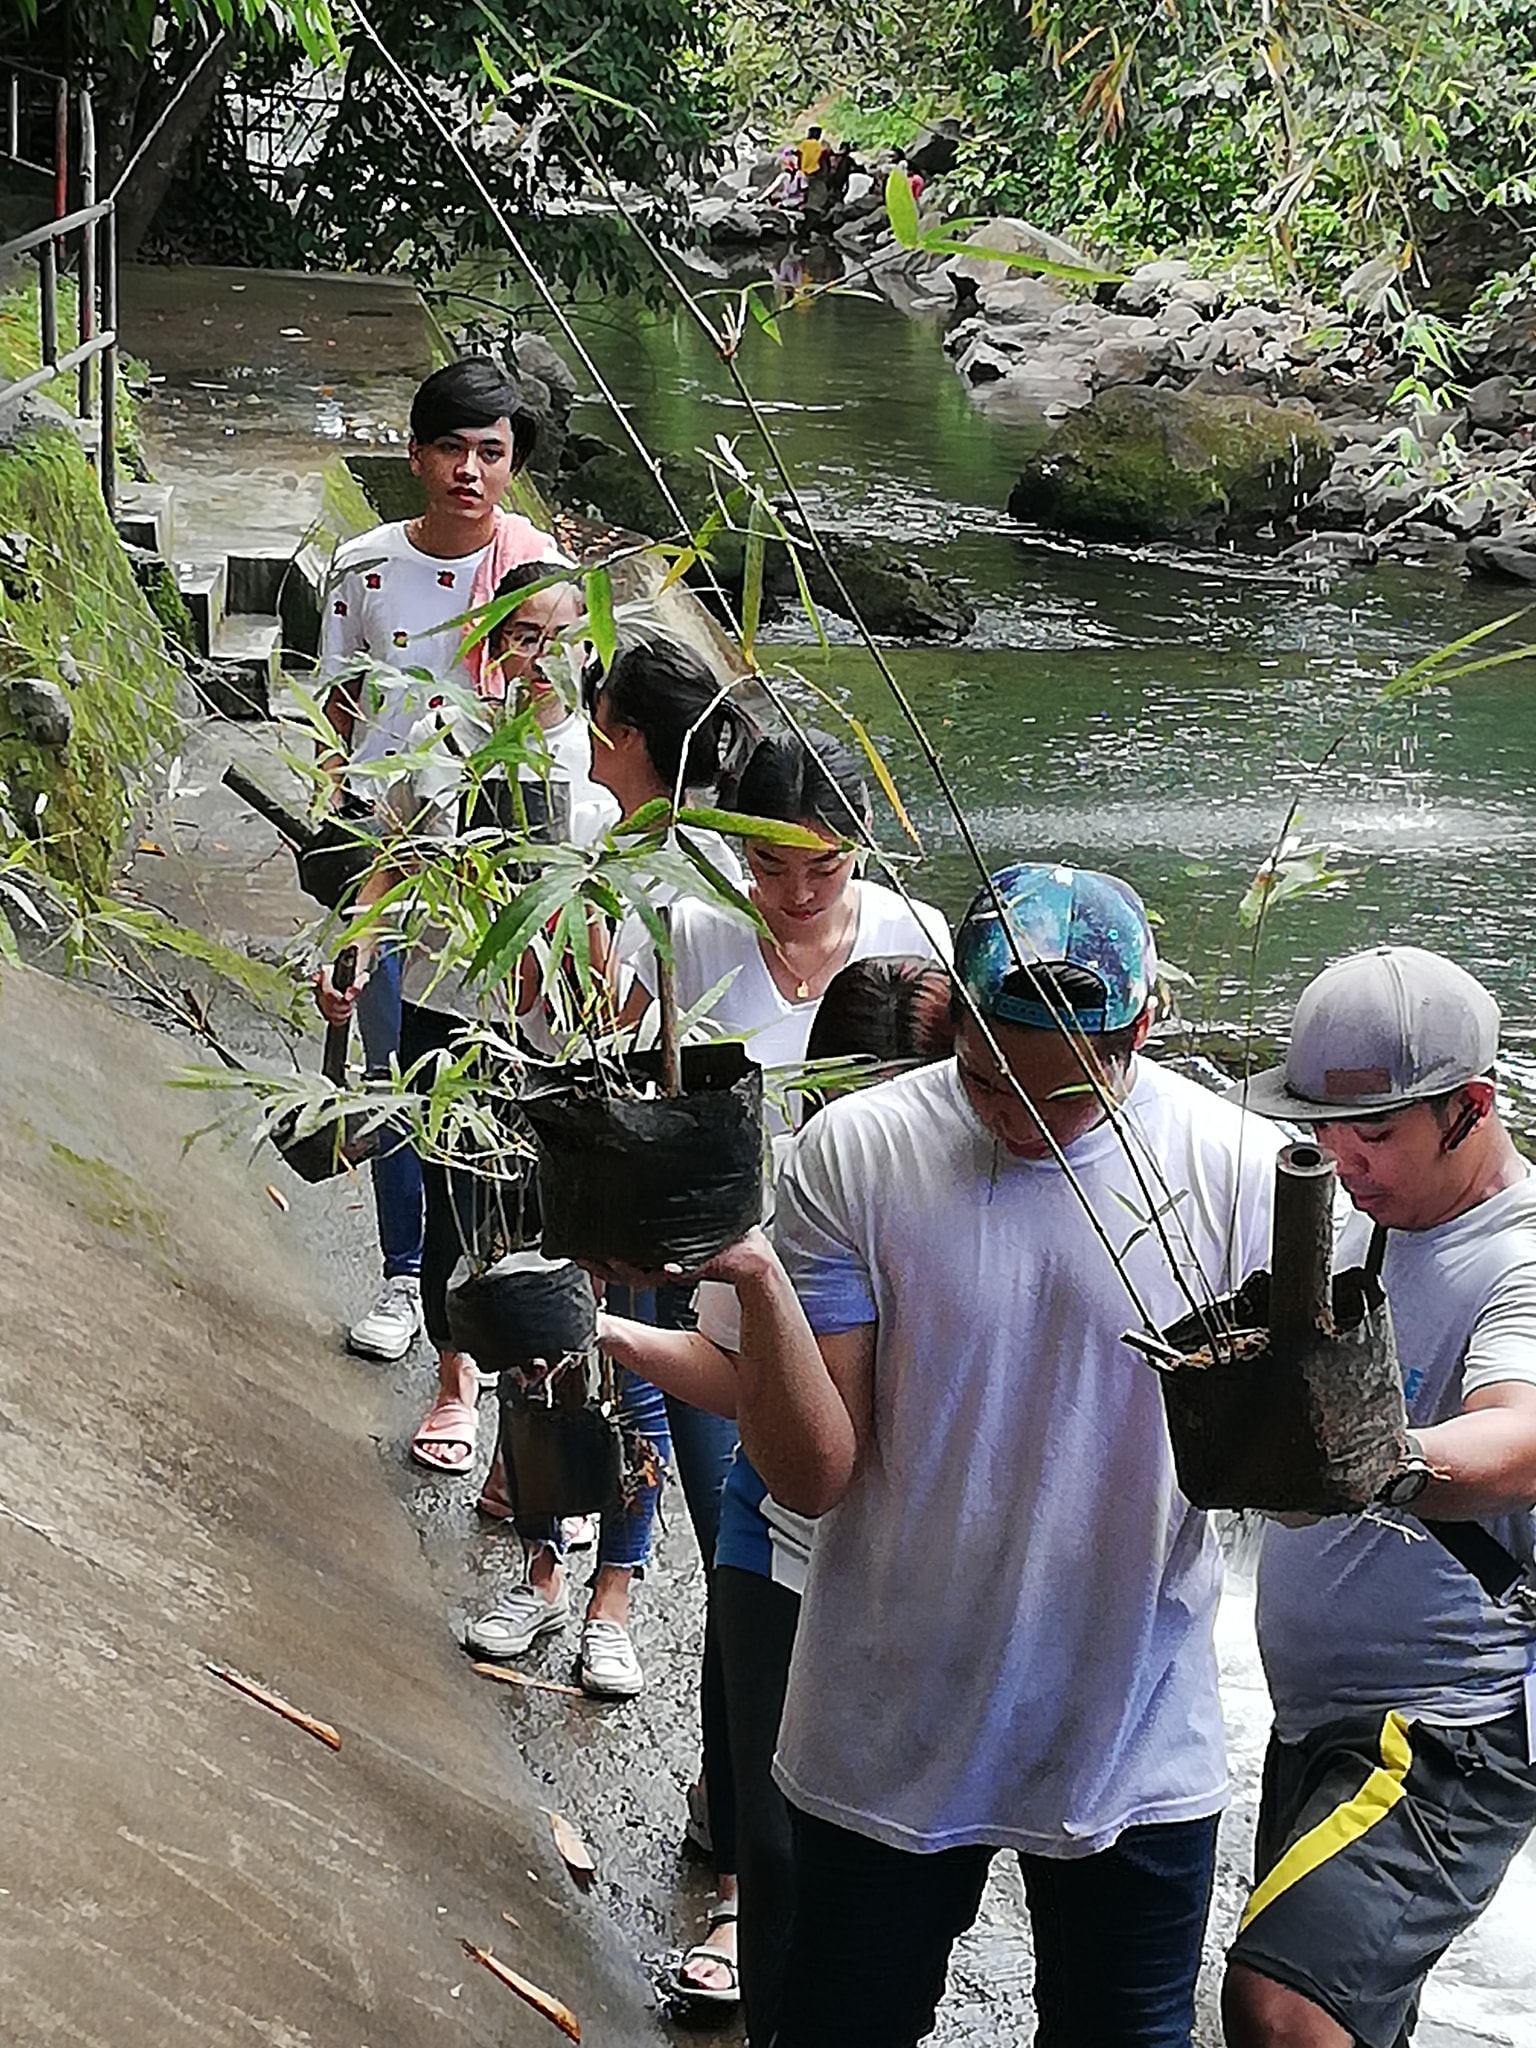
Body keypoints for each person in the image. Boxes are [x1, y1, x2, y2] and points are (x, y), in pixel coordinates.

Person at [713, 861, 1283, 2047]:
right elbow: (813, 1474)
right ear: (955, 1018)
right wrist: (759, 1280)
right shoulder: (858, 1153)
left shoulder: (1241, 1170)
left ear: (1138, 1030)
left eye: (1065, 1090)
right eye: (988, 1077)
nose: (1021, 1118)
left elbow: (1278, 1473)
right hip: (890, 1703)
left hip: (1130, 1718)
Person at [602, 955, 957, 2035]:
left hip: (916, 1564)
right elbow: (730, 1367)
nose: (869, 1125)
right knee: (772, 1832)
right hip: (779, 1540)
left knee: (895, 1844)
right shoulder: (787, 1185)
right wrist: (609, 1329)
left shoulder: (987, 1198)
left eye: (897, 1092)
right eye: (850, 1093)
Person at [1221, 945, 1536, 2048]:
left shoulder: (1521, 1254)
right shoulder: (1365, 1221)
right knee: (1348, 2017)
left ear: (1472, 1107)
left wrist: (1381, 1456)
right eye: (1322, 1128)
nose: (1340, 1157)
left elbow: (1518, 1432)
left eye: (1376, 1131)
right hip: (1321, 1717)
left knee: (1282, 2002)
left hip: (1446, 1725)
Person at [463, 628, 752, 1700]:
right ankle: (543, 1568)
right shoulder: (586, 831)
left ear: (625, 737)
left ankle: (613, 1593)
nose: (586, 731)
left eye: (601, 716)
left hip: (652, 1171)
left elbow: (643, 1028)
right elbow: (545, 1006)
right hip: (568, 1138)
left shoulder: (706, 874)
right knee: (542, 1348)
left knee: (633, 1372)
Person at [314, 562, 616, 1483]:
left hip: (549, 1031)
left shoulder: (604, 773)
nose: (537, 660)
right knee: (451, 1192)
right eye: (521, 636)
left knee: (535, 1219)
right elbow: (395, 856)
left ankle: (529, 1433)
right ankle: (454, 1384)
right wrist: (358, 952)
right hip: (444, 1003)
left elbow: (616, 915)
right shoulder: (448, 740)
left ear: (589, 654)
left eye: (559, 642)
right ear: (490, 643)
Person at [316, 357, 555, 1365]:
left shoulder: (537, 571)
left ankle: (479, 1294)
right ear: (414, 455)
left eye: (490, 452)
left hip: (498, 848)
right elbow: (337, 706)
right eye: (451, 447)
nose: (469, 468)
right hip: (384, 835)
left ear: (512, 466)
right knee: (388, 1068)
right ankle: (402, 1275)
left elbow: (562, 709)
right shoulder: (363, 567)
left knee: (476, 1070)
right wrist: (336, 815)